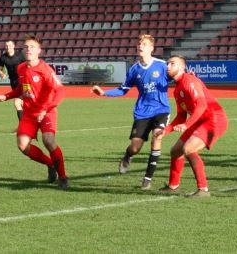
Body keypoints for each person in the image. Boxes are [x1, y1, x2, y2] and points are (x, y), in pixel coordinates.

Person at [92, 34, 172, 189]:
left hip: (161, 110)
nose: (140, 46)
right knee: (135, 147)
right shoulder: (134, 69)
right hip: (142, 112)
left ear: (151, 48)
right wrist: (103, 93)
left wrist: (190, 77)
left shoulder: (162, 65)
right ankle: (127, 156)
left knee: (157, 137)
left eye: (144, 44)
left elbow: (176, 75)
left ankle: (147, 178)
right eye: (139, 44)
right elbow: (123, 89)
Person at [0, 35, 69, 189]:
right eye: (26, 47)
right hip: (29, 114)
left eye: (32, 47)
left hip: (46, 112)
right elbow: (22, 88)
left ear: (39, 51)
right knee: (22, 145)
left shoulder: (45, 69)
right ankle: (50, 164)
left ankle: (63, 177)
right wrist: (5, 96)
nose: (28, 49)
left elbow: (60, 91)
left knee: (48, 140)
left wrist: (46, 109)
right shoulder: (21, 68)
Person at [156, 55, 228, 198]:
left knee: (188, 149)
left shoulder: (189, 80)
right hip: (199, 121)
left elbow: (202, 105)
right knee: (176, 151)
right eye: (167, 63)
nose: (168, 66)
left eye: (172, 63)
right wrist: (166, 131)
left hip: (214, 119)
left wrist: (187, 125)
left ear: (182, 67)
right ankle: (173, 186)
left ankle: (203, 189)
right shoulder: (177, 90)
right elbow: (181, 116)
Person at [0, 40, 25, 121]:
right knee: (22, 104)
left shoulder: (20, 55)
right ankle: (27, 125)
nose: (7, 47)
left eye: (9, 45)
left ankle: (23, 126)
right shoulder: (3, 57)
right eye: (6, 46)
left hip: (23, 81)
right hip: (13, 82)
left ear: (13, 46)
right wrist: (1, 73)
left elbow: (28, 65)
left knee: (17, 103)